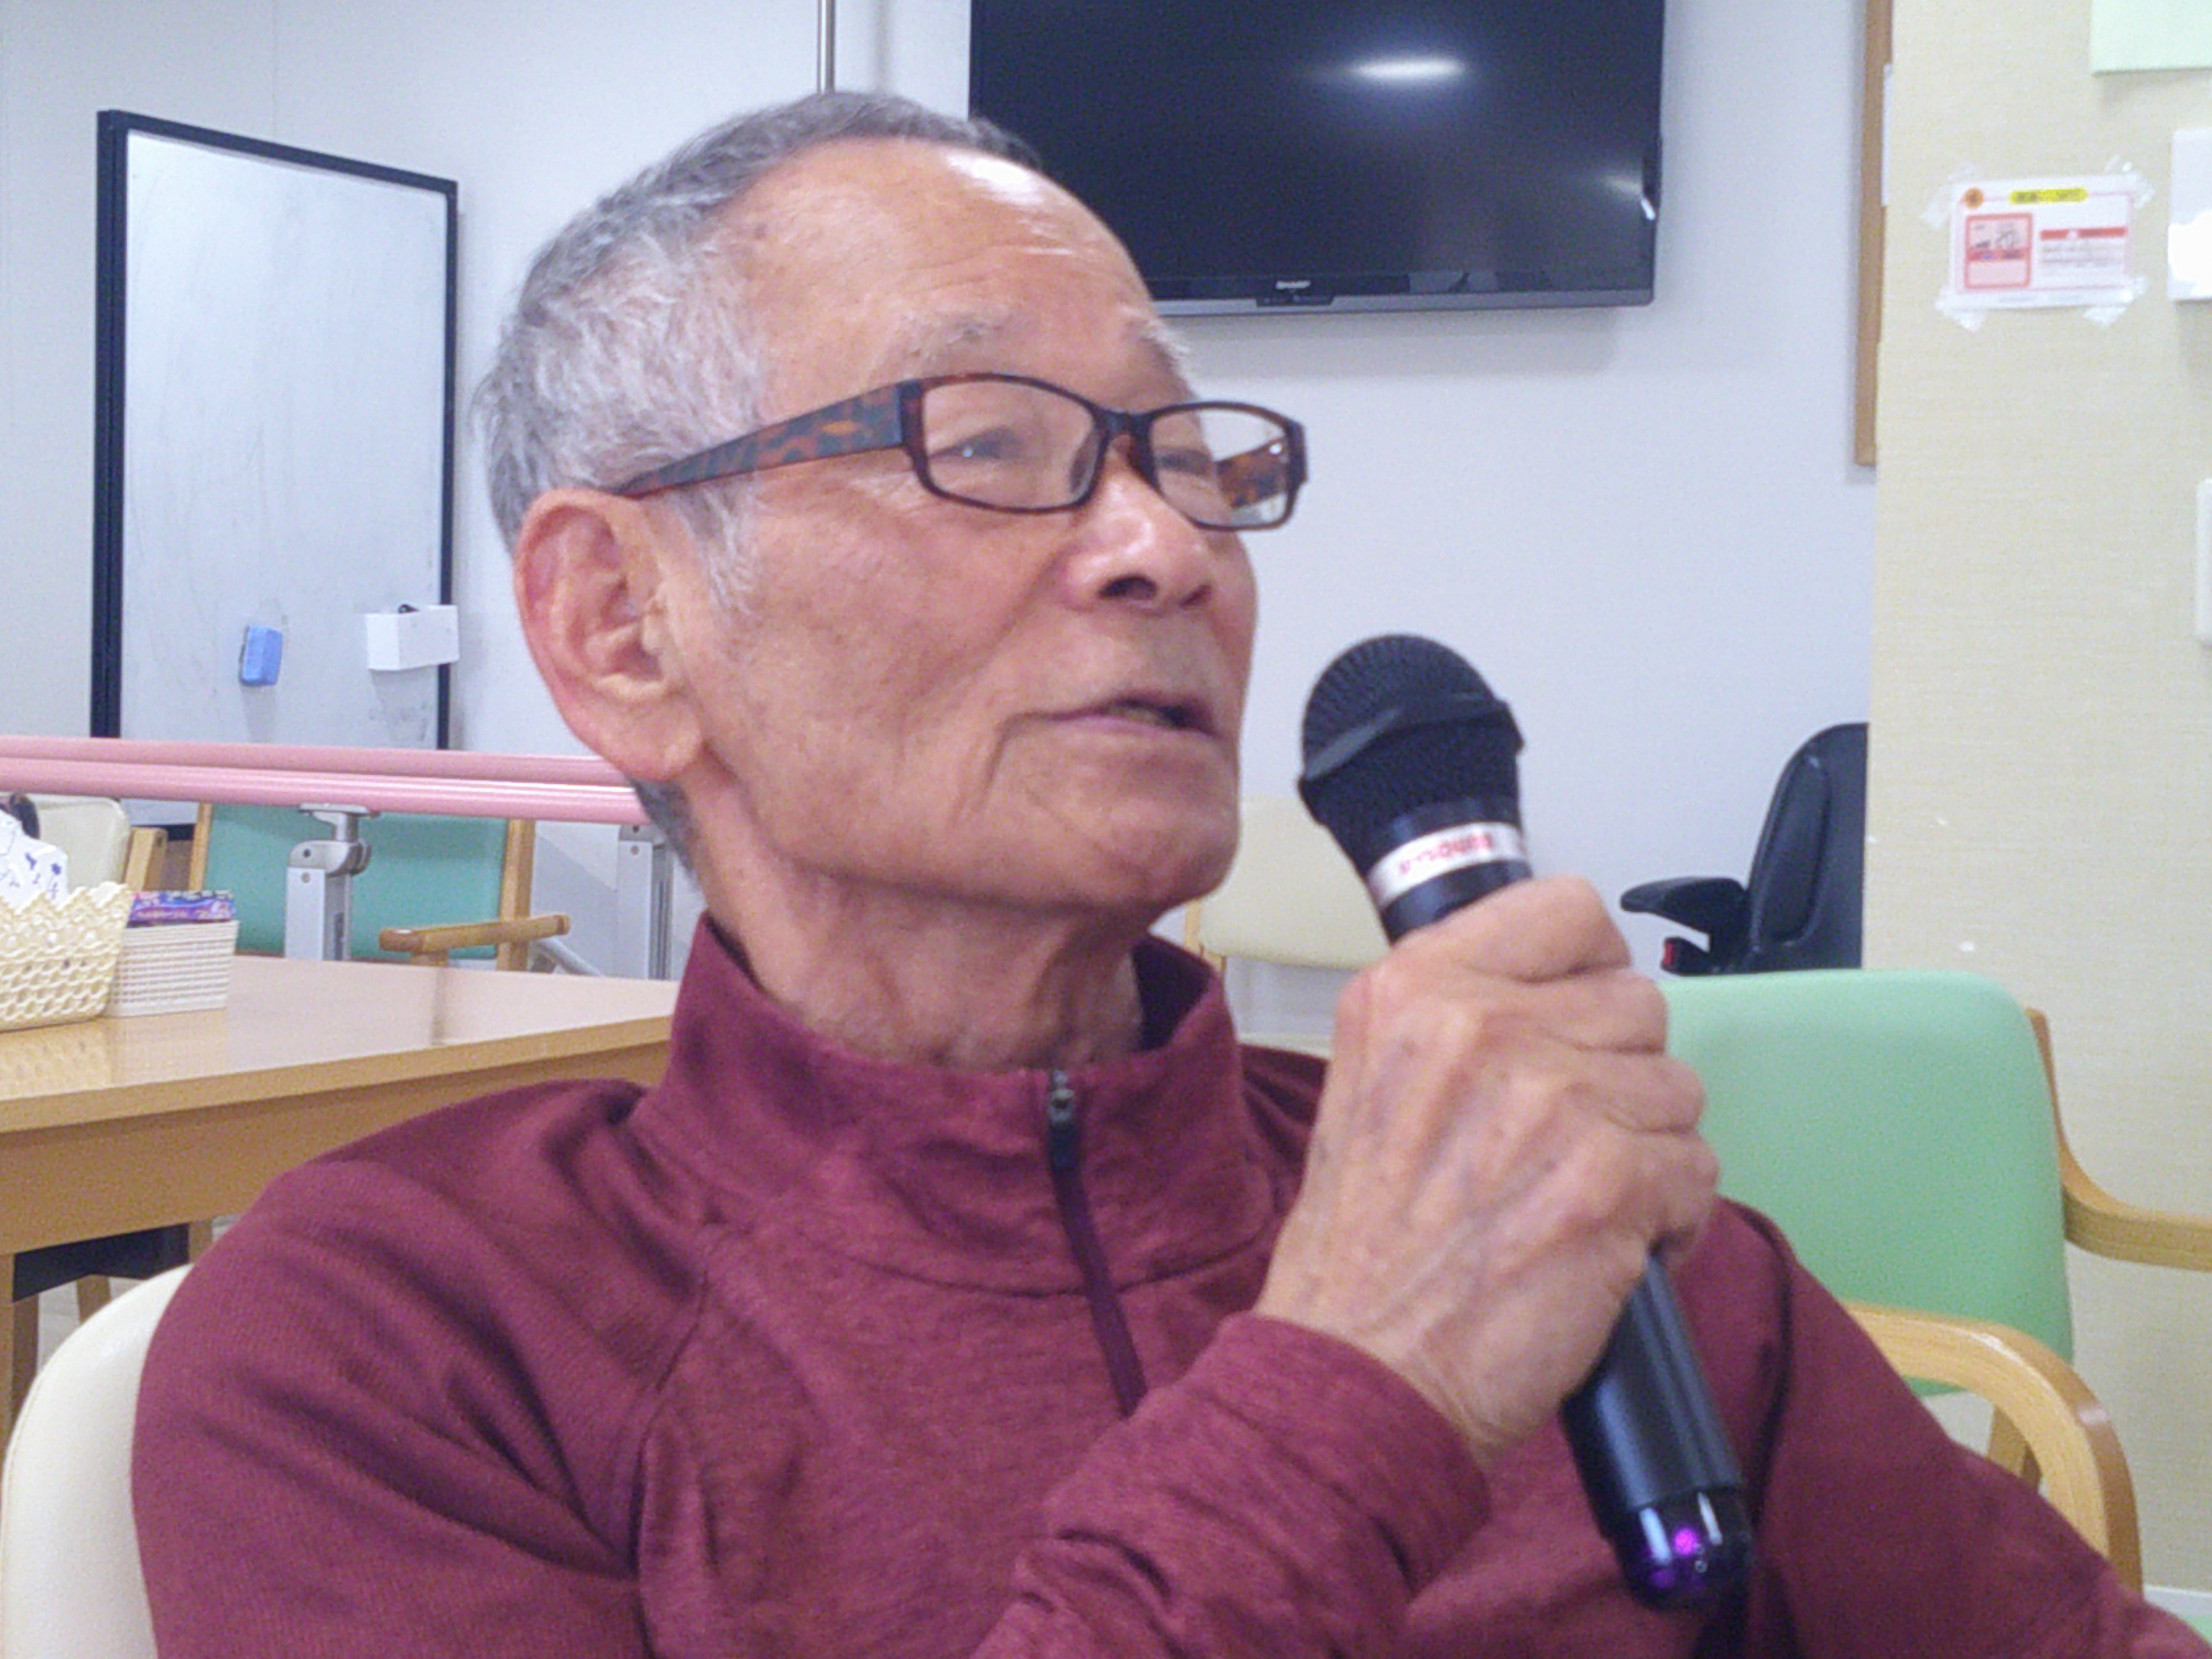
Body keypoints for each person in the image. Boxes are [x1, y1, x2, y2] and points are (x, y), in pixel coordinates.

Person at [133, 91, 2205, 1658]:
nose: (1166, 547)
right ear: (622, 627)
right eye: (987, 442)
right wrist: (1361, 1388)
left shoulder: (1578, 1235)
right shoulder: (395, 1340)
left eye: (1188, 455)